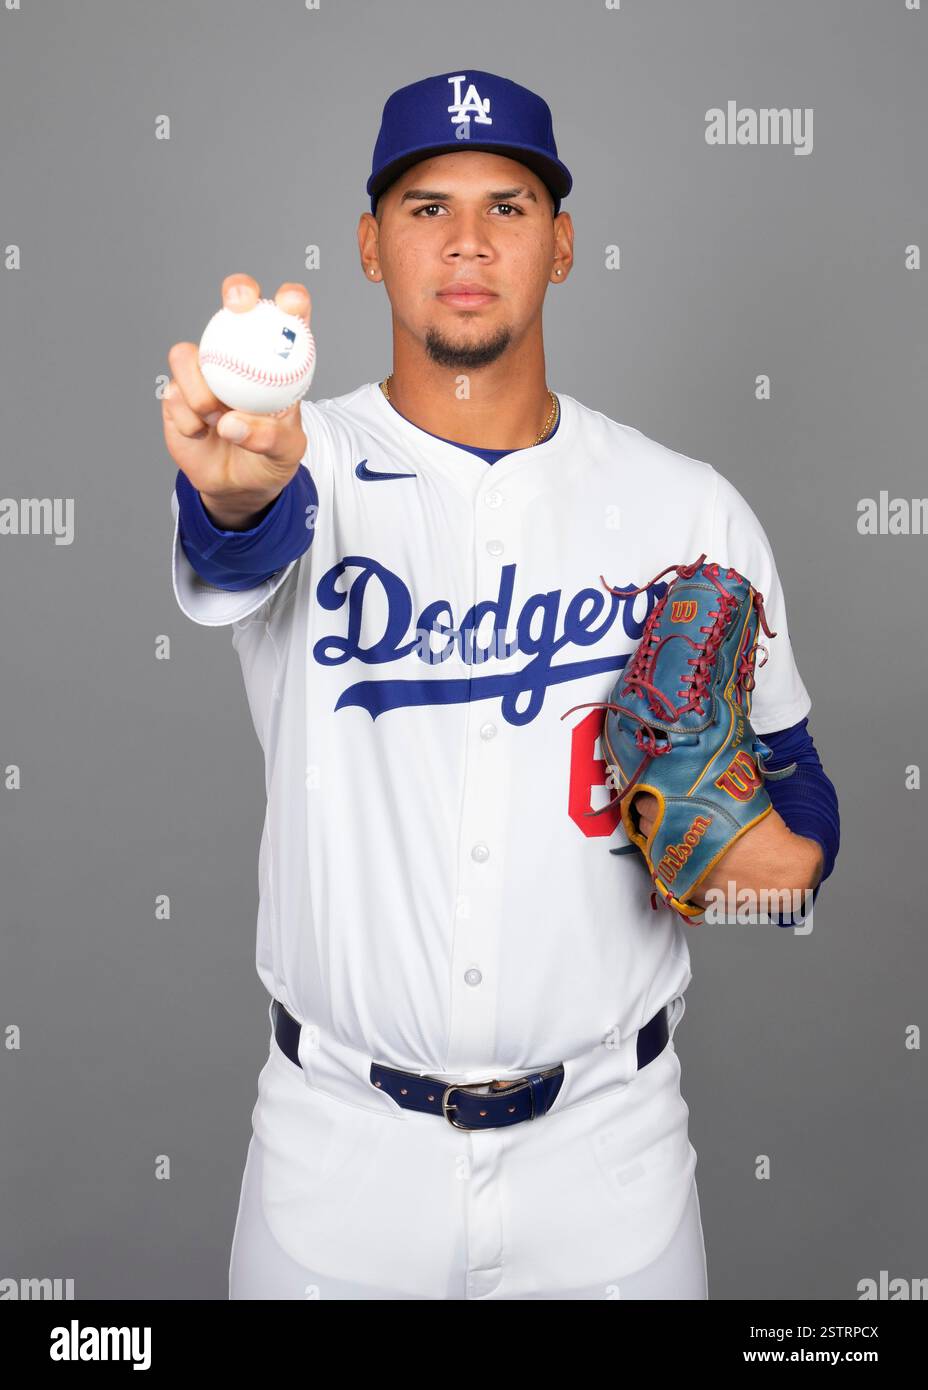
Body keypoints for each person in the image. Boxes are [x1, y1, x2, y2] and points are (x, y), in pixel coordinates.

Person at [161, 70, 840, 1300]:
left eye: (508, 206)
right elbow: (238, 523)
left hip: (609, 1163)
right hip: (338, 1163)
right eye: (426, 208)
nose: (466, 241)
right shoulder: (296, 458)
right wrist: (230, 490)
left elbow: (804, 840)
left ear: (562, 244)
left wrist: (753, 870)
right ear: (370, 246)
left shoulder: (688, 508)